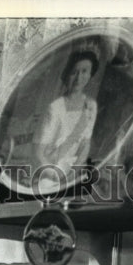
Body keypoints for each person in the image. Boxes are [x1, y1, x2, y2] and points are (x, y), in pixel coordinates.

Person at [35, 50, 99, 187]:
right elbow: (39, 153)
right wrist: (56, 175)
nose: (78, 78)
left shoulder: (91, 106)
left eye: (84, 71)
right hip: (52, 169)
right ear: (67, 75)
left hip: (76, 169)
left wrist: (75, 170)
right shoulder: (55, 108)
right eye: (74, 72)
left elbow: (85, 144)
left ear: (90, 75)